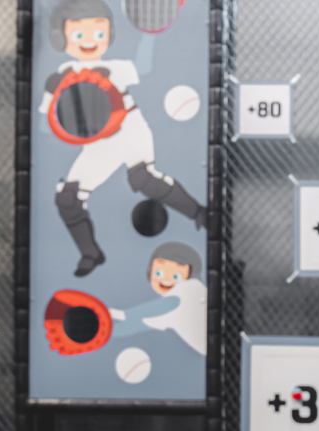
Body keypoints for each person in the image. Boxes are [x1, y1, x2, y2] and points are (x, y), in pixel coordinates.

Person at [40, 0, 206, 277]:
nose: (90, 41)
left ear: (110, 35)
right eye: (79, 34)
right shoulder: (59, 78)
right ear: (61, 38)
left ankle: (199, 214)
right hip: (97, 146)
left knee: (144, 180)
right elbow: (47, 125)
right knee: (68, 198)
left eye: (99, 33)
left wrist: (149, 37)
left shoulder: (114, 68)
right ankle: (91, 253)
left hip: (129, 131)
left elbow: (143, 66)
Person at [110, 242, 207, 355]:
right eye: (158, 273)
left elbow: (141, 313)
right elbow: (138, 324)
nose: (166, 280)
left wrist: (108, 313)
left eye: (176, 276)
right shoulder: (172, 311)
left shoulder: (187, 290)